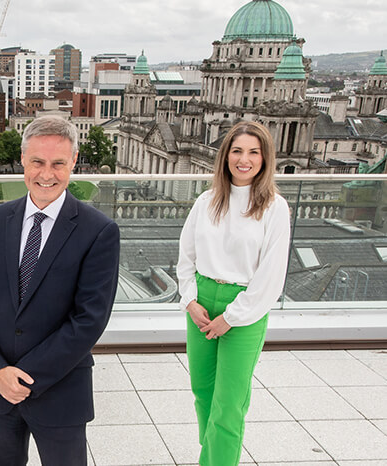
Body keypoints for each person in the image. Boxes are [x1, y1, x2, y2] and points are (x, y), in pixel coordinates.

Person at [0, 115, 120, 465]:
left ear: (73, 162)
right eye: (37, 162)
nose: (46, 174)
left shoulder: (99, 231)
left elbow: (89, 320)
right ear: (22, 160)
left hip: (61, 391)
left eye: (58, 163)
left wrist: (25, 377)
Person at [177, 120, 290, 466]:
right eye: (237, 151)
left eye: (253, 152)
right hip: (203, 300)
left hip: (246, 307)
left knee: (229, 403)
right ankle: (211, 457)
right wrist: (190, 300)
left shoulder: (275, 208)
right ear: (225, 156)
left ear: (265, 158)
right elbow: (186, 256)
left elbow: (271, 275)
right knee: (203, 393)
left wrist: (232, 317)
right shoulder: (207, 201)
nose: (245, 159)